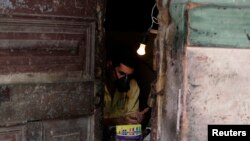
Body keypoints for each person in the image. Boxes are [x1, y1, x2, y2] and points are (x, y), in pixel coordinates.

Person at [103, 52, 150, 140]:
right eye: (121, 73)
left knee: (146, 134)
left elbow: (131, 117)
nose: (125, 79)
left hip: (120, 132)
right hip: (98, 132)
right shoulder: (96, 86)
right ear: (109, 65)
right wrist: (119, 121)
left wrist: (137, 118)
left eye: (128, 76)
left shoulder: (132, 85)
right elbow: (91, 121)